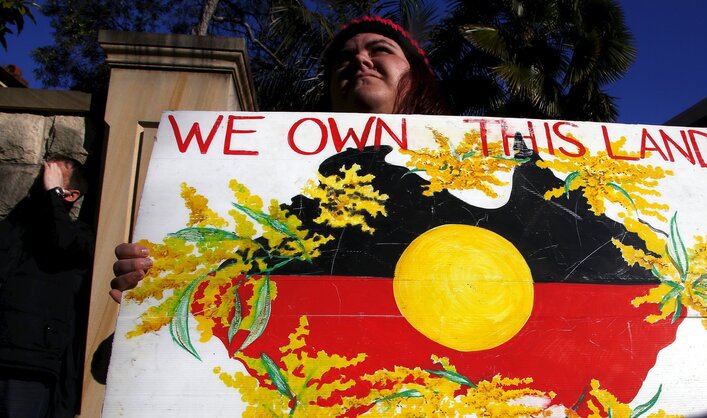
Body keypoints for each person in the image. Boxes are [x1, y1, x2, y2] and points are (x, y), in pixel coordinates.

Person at [109, 15, 448, 302]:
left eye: (380, 50)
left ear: (416, 73)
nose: (360, 60)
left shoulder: (473, 168)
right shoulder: (295, 184)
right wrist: (158, 282)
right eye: (344, 58)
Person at [0, 156, 95, 418]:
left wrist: (53, 194)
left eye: (52, 178)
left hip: (30, 364)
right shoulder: (18, 227)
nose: (42, 183)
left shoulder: (81, 237)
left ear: (71, 195)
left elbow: (60, 243)